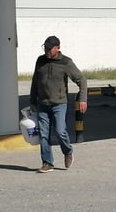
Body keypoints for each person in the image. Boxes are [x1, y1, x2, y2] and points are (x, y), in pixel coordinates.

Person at [30, 36, 87, 173]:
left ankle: (68, 151)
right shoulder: (40, 60)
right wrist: (32, 100)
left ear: (58, 48)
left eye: (50, 49)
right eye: (45, 48)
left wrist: (83, 99)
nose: (47, 51)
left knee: (60, 131)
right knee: (44, 135)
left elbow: (81, 80)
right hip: (42, 104)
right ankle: (47, 162)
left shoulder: (66, 62)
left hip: (59, 104)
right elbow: (35, 81)